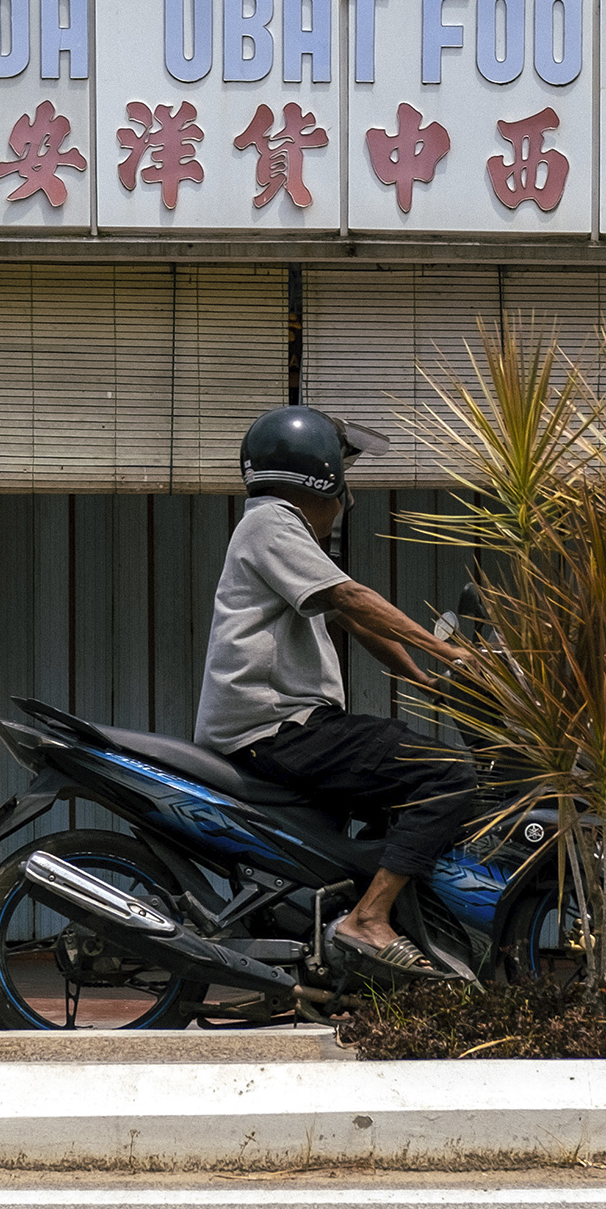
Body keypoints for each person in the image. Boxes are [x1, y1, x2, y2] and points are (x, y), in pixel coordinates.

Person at [194, 405, 475, 978]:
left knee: (399, 795)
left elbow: (355, 624)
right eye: (345, 481)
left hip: (285, 727)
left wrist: (424, 679)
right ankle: (367, 921)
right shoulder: (271, 523)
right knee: (446, 771)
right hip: (276, 729)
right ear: (321, 478)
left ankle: (352, 940)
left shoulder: (282, 533)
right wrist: (449, 651)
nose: (349, 497)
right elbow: (351, 599)